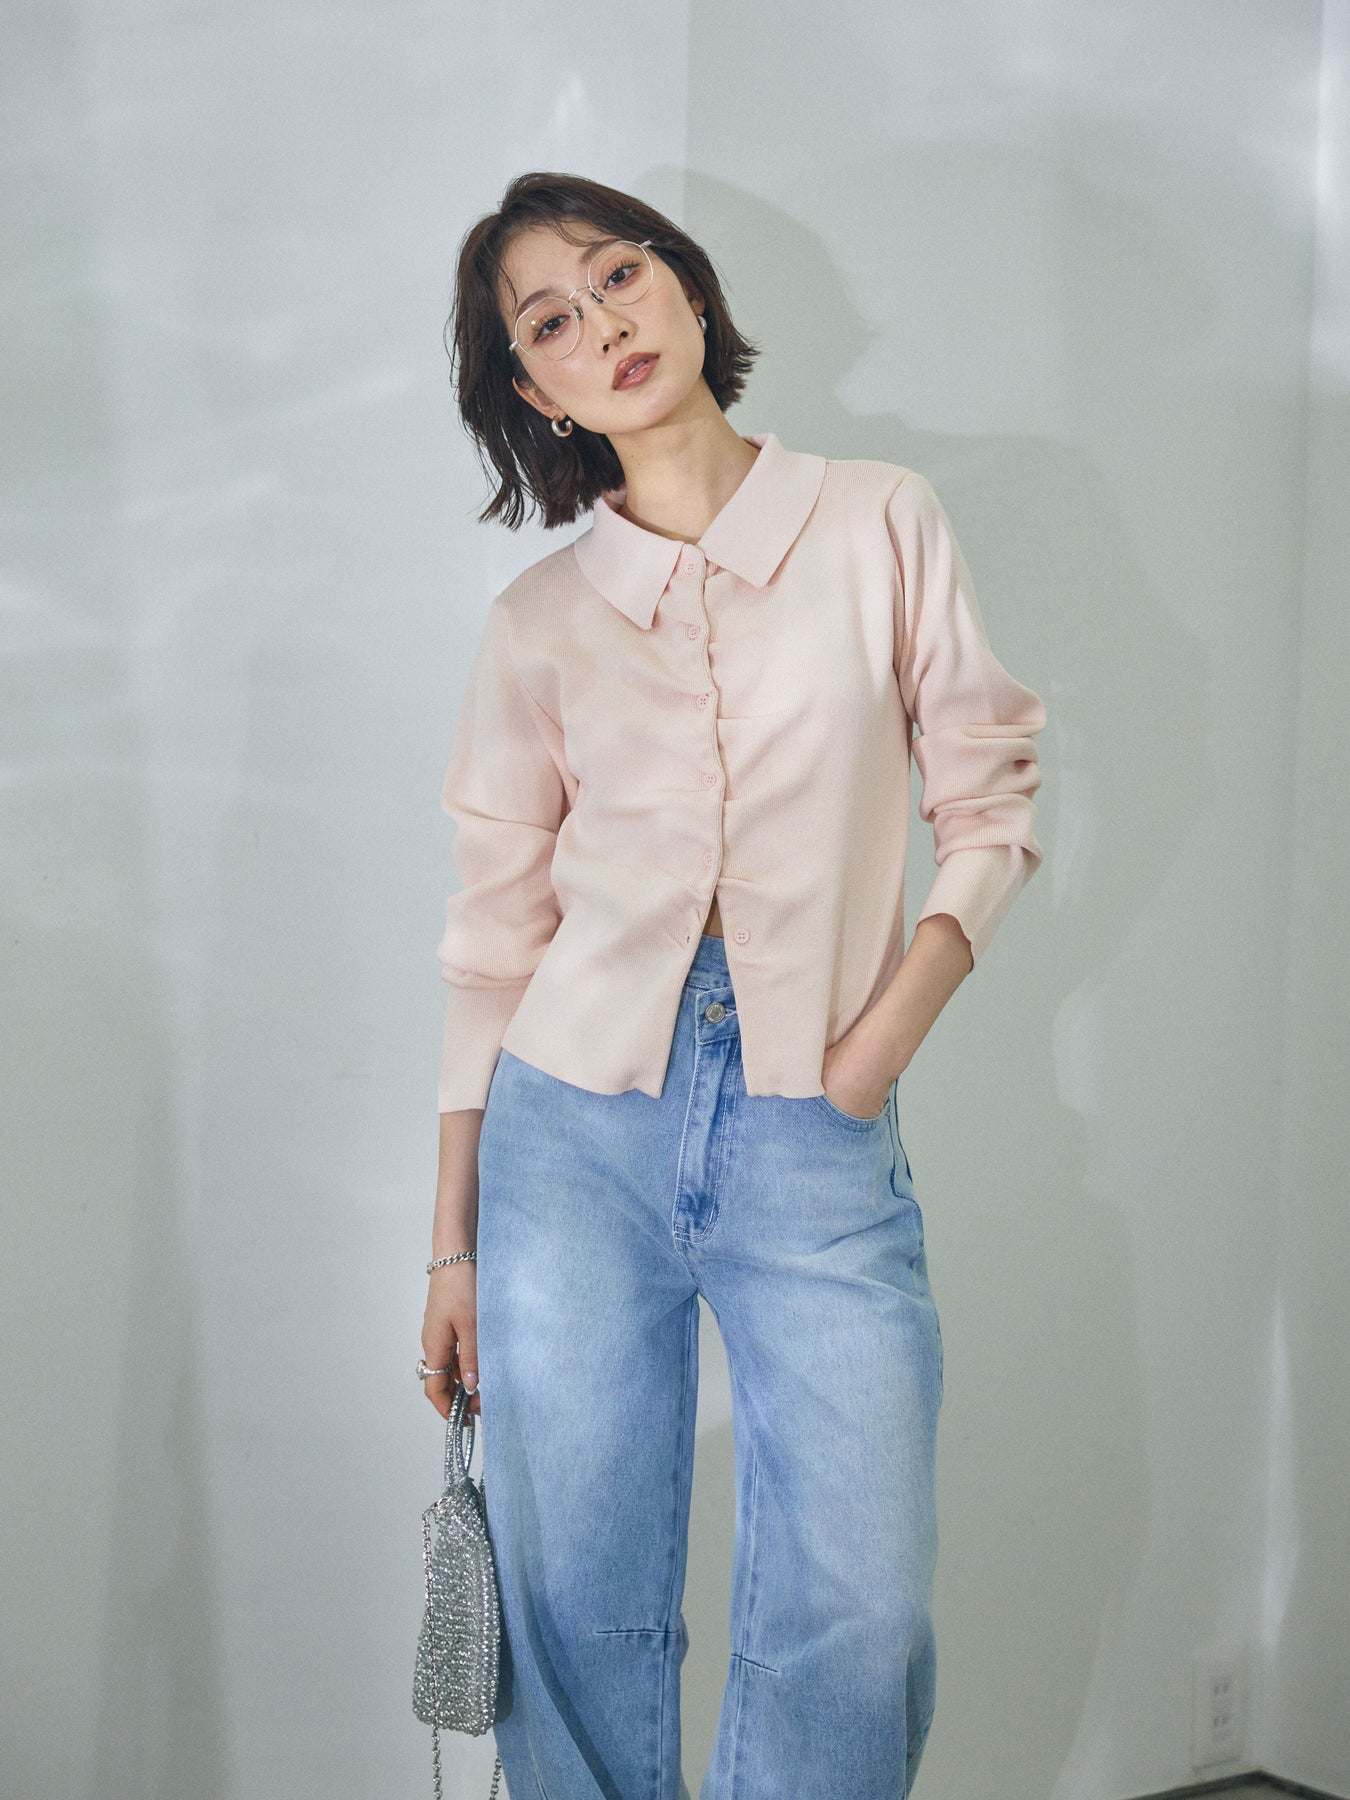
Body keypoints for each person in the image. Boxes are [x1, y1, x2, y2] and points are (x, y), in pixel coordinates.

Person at [417, 170, 1047, 1799]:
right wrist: (452, 1243)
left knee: (858, 1609)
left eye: (617, 275)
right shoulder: (538, 621)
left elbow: (986, 807)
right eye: (549, 322)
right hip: (568, 1142)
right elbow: (491, 938)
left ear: (687, 287)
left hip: (813, 1132)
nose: (601, 324)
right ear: (534, 393)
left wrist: (874, 1049)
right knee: (576, 1608)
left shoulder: (877, 518)